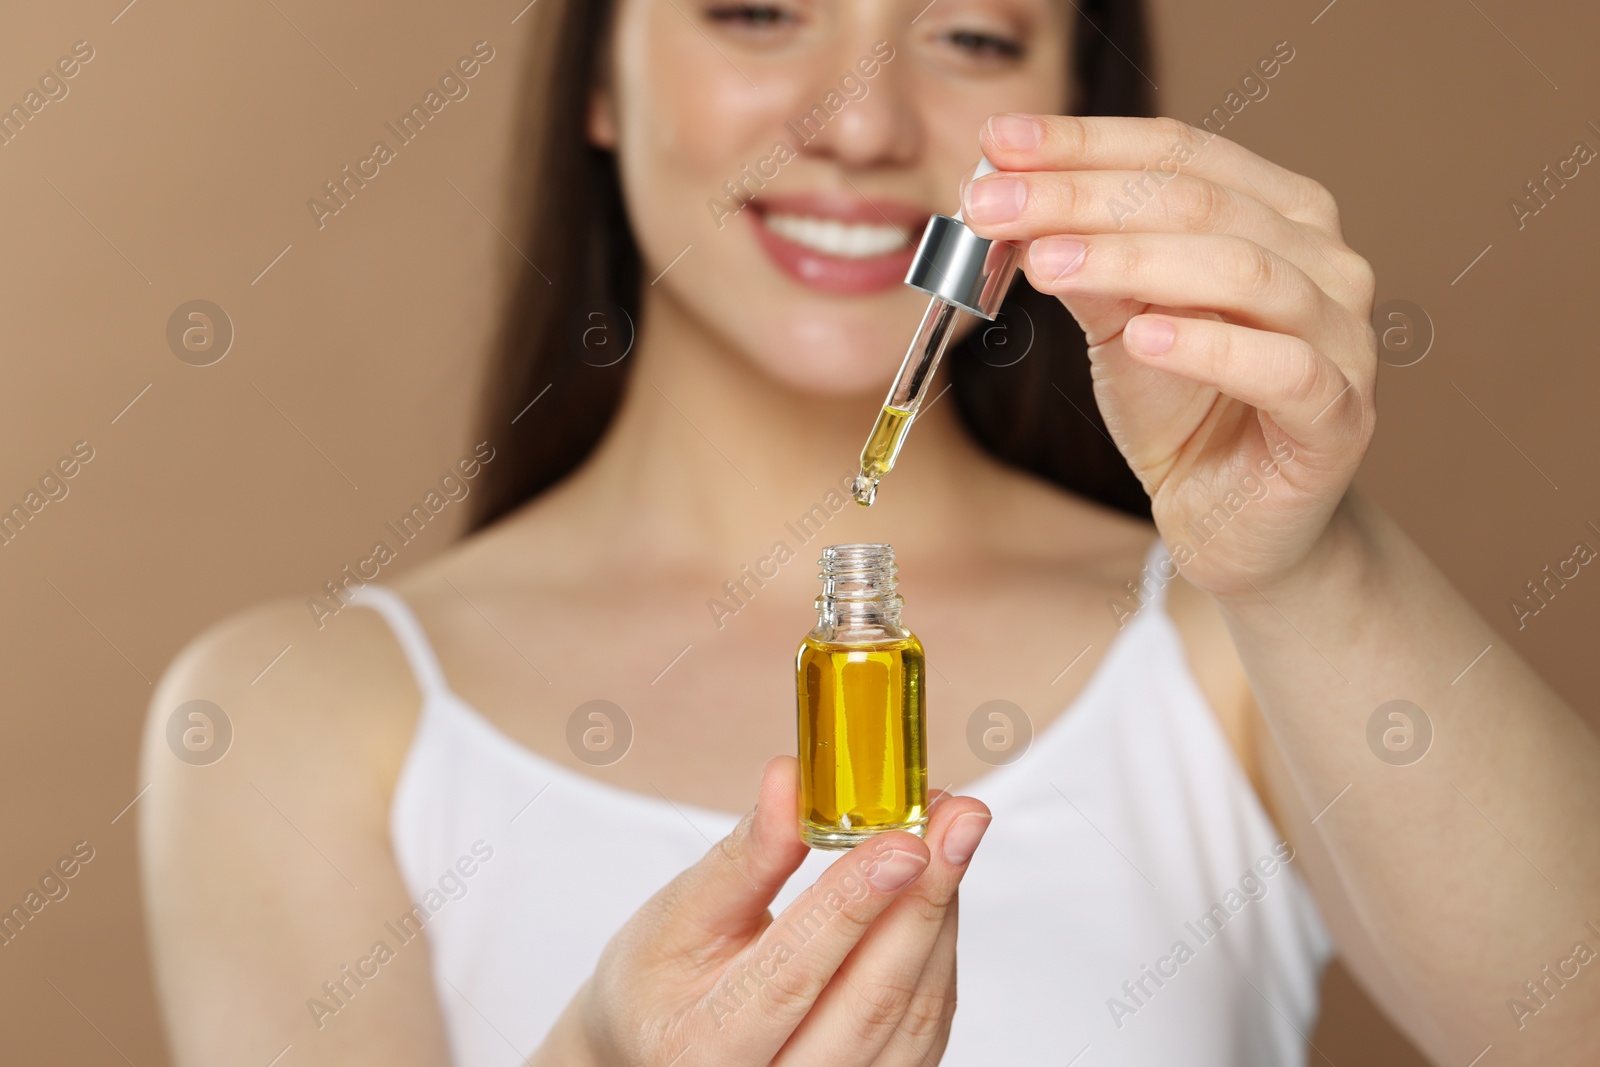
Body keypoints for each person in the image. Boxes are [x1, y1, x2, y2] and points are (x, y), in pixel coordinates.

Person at [140, 1, 1600, 1065]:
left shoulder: (1236, 640)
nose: (860, 123)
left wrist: (1302, 557)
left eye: (969, 37)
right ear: (598, 68)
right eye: (758, 12)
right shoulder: (296, 714)